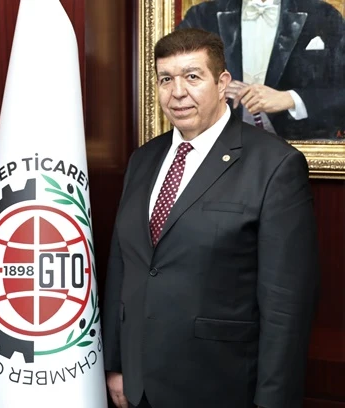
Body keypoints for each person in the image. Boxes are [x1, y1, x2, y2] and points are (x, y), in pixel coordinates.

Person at [102, 28, 319, 408]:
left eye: (192, 76)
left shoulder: (275, 165)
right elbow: (124, 264)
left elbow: (285, 305)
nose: (177, 92)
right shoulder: (142, 159)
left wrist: (274, 400)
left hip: (220, 386)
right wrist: (116, 364)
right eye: (166, 79)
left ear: (221, 84)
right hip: (138, 385)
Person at [179, 0, 345, 140]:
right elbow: (174, 72)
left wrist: (290, 99)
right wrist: (213, 87)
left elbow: (340, 93)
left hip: (299, 148)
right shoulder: (201, 16)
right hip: (218, 145)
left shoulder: (324, 15)